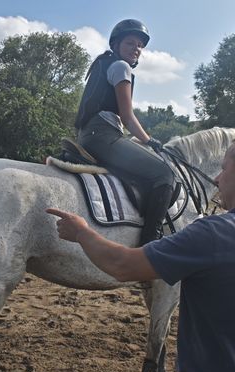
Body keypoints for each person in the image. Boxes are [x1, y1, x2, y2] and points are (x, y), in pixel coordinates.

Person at [46, 141, 235, 372]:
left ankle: (151, 239)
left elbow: (122, 266)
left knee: (163, 176)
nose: (216, 178)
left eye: (224, 169)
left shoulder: (212, 233)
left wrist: (81, 232)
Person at [74, 19, 174, 245]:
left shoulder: (106, 64)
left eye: (140, 45)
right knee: (164, 174)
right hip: (103, 136)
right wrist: (150, 141)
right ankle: (150, 242)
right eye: (130, 43)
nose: (136, 49)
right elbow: (127, 117)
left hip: (91, 135)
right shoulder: (121, 67)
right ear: (116, 44)